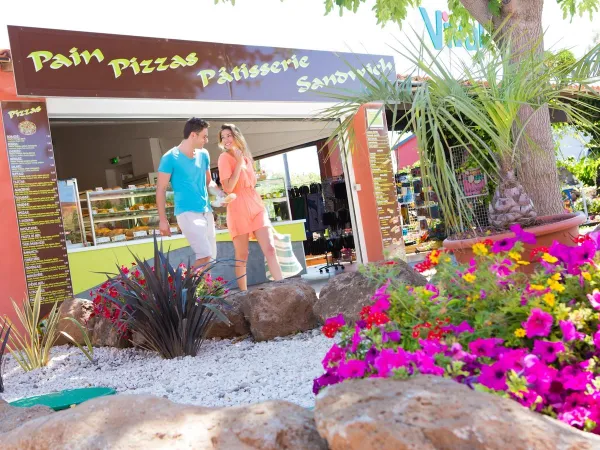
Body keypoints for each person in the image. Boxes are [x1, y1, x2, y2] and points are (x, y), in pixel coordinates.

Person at [217, 123, 283, 290]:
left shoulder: (247, 158)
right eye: (223, 137)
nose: (226, 139)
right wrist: (238, 163)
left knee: (270, 248)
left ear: (236, 136)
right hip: (238, 208)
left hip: (255, 204)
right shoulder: (224, 158)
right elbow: (228, 188)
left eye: (229, 135)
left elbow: (252, 184)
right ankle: (244, 295)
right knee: (242, 255)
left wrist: (242, 161)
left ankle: (282, 286)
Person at [156, 118, 218, 269]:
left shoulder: (204, 155)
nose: (207, 140)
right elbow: (160, 189)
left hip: (206, 212)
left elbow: (208, 182)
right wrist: (163, 220)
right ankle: (180, 286)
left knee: (210, 262)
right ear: (193, 135)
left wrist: (220, 194)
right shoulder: (170, 158)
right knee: (205, 257)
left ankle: (204, 292)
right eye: (204, 136)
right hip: (187, 213)